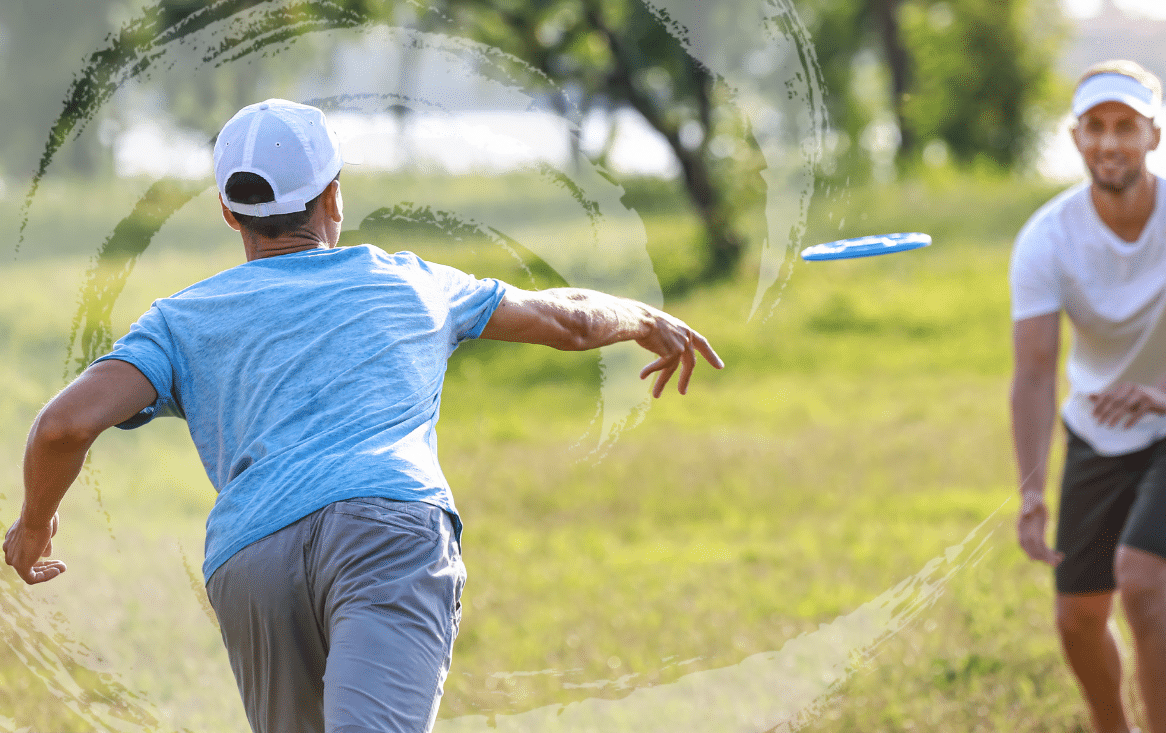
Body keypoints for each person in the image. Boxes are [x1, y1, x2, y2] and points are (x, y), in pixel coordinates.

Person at [4, 98, 723, 733]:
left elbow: (64, 426)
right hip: (387, 529)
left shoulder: (180, 321)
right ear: (333, 197)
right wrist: (640, 316)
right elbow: (565, 319)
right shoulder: (412, 283)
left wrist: (36, 524)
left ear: (229, 213)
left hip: (251, 560)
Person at [1009, 60, 1166, 733]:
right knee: (1079, 616)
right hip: (1097, 427)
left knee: (1143, 584)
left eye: (1126, 127)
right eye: (1096, 127)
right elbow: (1033, 370)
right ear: (1076, 138)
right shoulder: (1048, 238)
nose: (1110, 142)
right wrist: (1032, 491)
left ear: (1153, 135)